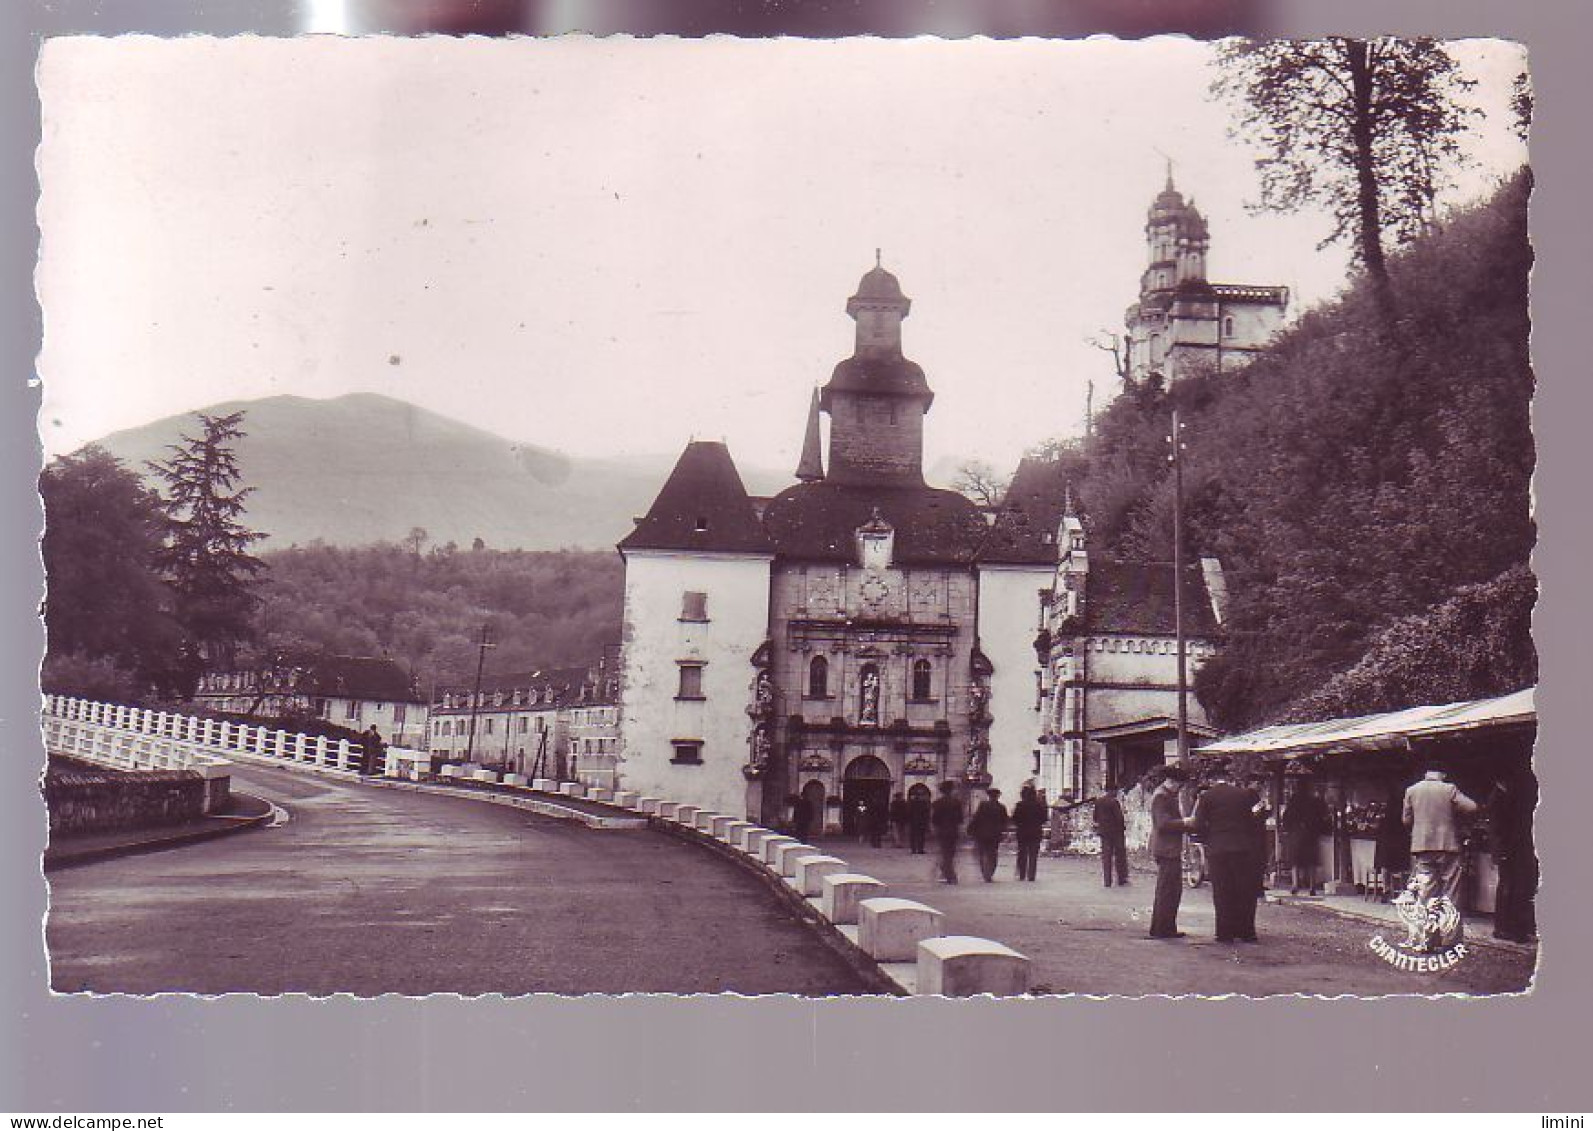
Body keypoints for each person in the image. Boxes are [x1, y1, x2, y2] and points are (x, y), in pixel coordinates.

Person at [1190, 761, 1263, 943]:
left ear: (1212, 780)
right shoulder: (1243, 795)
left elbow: (1198, 824)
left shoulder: (1207, 797)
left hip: (1218, 850)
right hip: (1242, 848)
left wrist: (1208, 837)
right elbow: (1252, 821)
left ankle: (1224, 933)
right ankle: (1247, 932)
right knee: (1244, 890)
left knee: (1222, 890)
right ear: (1229, 778)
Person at [1402, 762, 1479, 912]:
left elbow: (1406, 820)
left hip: (1422, 846)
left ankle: (1427, 931)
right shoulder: (1449, 789)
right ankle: (1449, 931)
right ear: (1443, 774)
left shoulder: (1412, 790)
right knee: (1451, 892)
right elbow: (1472, 807)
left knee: (1426, 891)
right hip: (1447, 845)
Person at [1489, 767, 1538, 944]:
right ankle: (1508, 928)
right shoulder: (1499, 797)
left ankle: (1509, 928)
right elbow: (1498, 829)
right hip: (1509, 850)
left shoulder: (1502, 796)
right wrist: (1500, 852)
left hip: (1509, 849)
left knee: (1511, 888)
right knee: (1510, 888)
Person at [1148, 766, 1191, 939]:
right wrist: (1184, 822)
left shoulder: (1165, 795)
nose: (1180, 789)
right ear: (1172, 782)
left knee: (1171, 889)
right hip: (1166, 849)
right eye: (1180, 785)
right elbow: (1163, 824)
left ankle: (1165, 927)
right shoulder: (1161, 797)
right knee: (1167, 890)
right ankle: (1161, 929)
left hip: (1169, 848)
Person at [1281, 777, 1331, 896]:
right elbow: (1323, 817)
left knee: (1296, 861)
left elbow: (1286, 817)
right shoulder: (1315, 801)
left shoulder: (1294, 800)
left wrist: (1289, 829)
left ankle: (1295, 885)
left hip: (1296, 834)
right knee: (1311, 861)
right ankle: (1312, 887)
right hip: (1311, 834)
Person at [968, 787, 1010, 882]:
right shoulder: (1001, 807)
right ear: (997, 796)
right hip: (995, 834)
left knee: (982, 853)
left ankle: (985, 873)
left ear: (989, 796)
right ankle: (990, 872)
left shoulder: (983, 805)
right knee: (993, 854)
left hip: (982, 833)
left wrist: (970, 829)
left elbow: (976, 818)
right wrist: (1003, 831)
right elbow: (1005, 821)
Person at [1093, 784, 1130, 887]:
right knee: (1120, 855)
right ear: (1113, 791)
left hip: (1104, 832)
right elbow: (1119, 817)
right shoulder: (1114, 802)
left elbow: (1095, 817)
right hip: (1116, 832)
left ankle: (1107, 881)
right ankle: (1121, 879)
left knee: (1106, 857)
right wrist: (1123, 828)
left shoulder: (1098, 801)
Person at [930, 780, 964, 884]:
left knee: (945, 853)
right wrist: (961, 831)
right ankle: (950, 875)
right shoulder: (957, 802)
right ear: (951, 790)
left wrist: (934, 830)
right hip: (953, 831)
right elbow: (960, 819)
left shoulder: (937, 803)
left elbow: (934, 819)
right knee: (950, 853)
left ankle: (948, 874)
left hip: (941, 831)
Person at [1011, 784, 1047, 881]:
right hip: (1035, 832)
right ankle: (1031, 875)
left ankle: (1022, 874)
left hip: (1022, 832)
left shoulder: (1020, 805)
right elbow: (1044, 818)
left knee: (1022, 853)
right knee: (1033, 854)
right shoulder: (1039, 805)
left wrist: (1021, 823)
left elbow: (1015, 818)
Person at [907, 789, 932, 855]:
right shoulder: (923, 803)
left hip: (913, 821)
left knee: (913, 835)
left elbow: (908, 812)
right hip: (921, 821)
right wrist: (927, 821)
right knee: (921, 835)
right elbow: (926, 813)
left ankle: (913, 849)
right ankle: (920, 849)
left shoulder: (911, 803)